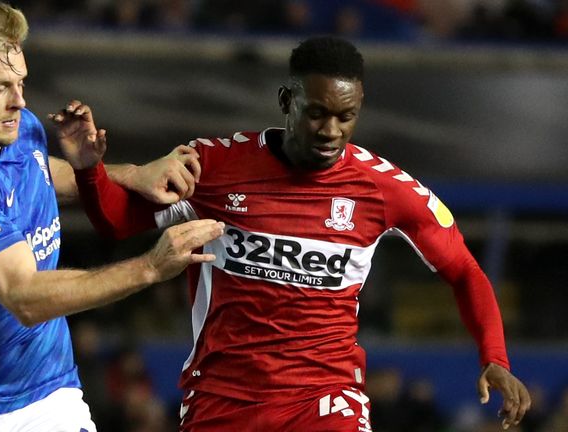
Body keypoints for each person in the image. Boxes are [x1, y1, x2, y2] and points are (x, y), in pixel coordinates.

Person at [59, 36, 532, 431]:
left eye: (345, 116)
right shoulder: (215, 166)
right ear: (288, 101)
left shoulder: (385, 189)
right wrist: (89, 171)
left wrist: (495, 356)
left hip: (325, 397)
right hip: (222, 396)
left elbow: (464, 270)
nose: (331, 130)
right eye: (317, 113)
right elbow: (118, 222)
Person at [0, 3, 224, 431]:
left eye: (21, 82)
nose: (19, 101)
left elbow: (40, 172)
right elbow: (24, 296)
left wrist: (128, 173)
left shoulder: (16, 126)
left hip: (50, 393)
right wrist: (152, 267)